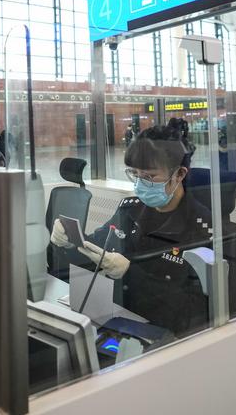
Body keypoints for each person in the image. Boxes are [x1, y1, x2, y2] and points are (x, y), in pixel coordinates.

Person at [50, 125, 212, 339]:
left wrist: (130, 274)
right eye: (135, 174)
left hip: (167, 336)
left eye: (150, 176)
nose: (140, 184)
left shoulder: (202, 230)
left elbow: (194, 312)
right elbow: (96, 250)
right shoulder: (130, 210)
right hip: (119, 320)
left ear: (179, 174)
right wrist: (70, 242)